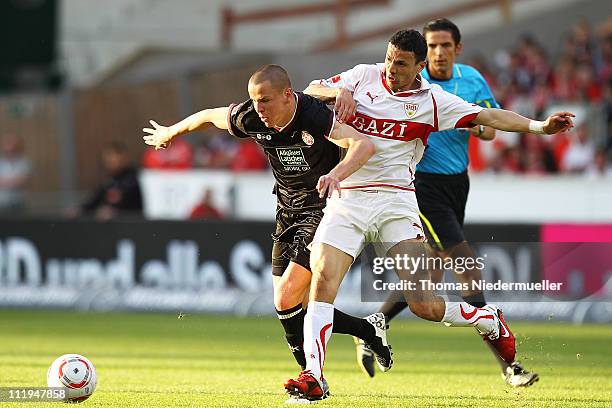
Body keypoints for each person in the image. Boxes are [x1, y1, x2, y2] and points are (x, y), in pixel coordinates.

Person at [285, 29, 573, 401]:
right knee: (322, 281)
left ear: (420, 66)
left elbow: (488, 116)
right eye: (389, 58)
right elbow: (310, 88)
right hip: (350, 198)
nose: (391, 68)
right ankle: (314, 377)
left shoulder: (434, 101)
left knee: (425, 305)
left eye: (401, 63)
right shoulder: (362, 75)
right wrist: (337, 91)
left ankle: (487, 318)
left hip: (397, 204)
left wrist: (539, 127)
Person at [142, 65, 391, 399]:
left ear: (288, 95)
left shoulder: (313, 116)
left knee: (285, 296)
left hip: (324, 210)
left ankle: (312, 379)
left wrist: (337, 174)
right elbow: (209, 116)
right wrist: (172, 131)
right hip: (287, 213)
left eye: (266, 100)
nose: (259, 108)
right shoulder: (251, 116)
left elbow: (362, 145)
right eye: (254, 101)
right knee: (292, 307)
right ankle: (366, 329)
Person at [349, 18, 538, 387]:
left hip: (457, 184)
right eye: (431, 47)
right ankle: (509, 366)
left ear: (457, 49)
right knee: (467, 266)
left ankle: (374, 325)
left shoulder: (471, 80)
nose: (437, 53)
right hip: (421, 185)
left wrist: (476, 126)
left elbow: (489, 126)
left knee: (429, 277)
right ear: (423, 55)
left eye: (444, 46)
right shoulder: (414, 84)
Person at [0, 133, 31, 214]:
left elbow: (21, 181)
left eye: (12, 143)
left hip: (18, 202)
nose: (10, 147)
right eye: (7, 143)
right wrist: (12, 181)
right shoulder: (1, 162)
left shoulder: (24, 162)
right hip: (2, 202)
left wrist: (4, 182)